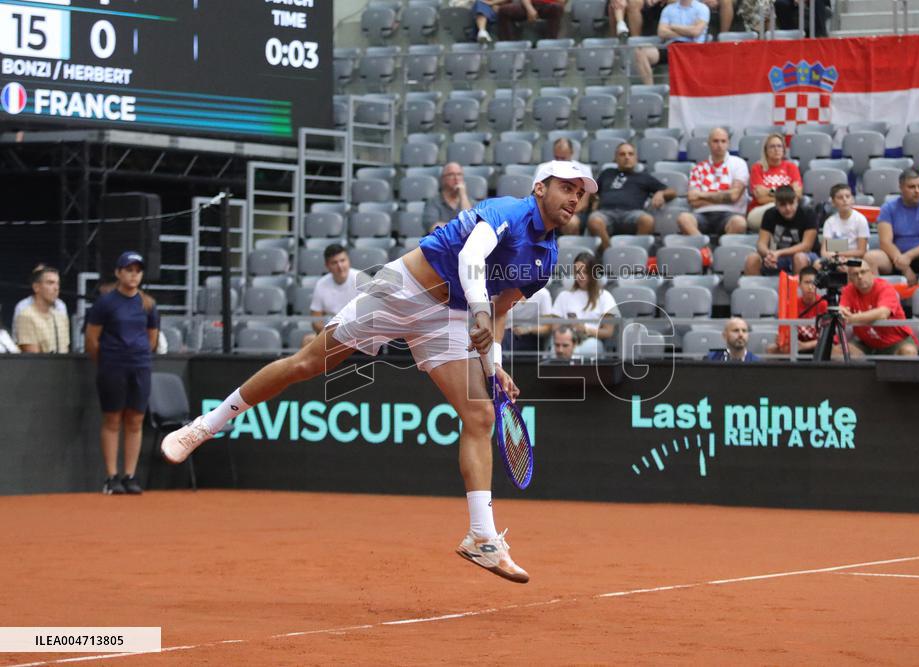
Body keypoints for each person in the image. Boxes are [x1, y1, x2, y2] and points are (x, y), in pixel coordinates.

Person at [161, 160, 599, 584]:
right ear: (540, 188)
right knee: (307, 364)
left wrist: (495, 365)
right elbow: (471, 256)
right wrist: (481, 313)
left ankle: (482, 537)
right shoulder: (506, 211)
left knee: (480, 415)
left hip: (446, 316)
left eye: (580, 194)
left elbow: (500, 311)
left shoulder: (546, 257)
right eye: (566, 187)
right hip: (401, 290)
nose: (574, 199)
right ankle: (205, 425)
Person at [84, 252, 160, 495]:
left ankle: (130, 476)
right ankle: (111, 477)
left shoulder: (148, 304)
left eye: (137, 270)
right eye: (128, 270)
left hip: (140, 366)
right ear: (118, 273)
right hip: (112, 367)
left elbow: (152, 338)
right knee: (113, 419)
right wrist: (107, 360)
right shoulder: (105, 303)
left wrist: (137, 357)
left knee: (136, 420)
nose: (133, 274)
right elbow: (92, 339)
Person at [865, 169, 919, 285]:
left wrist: (909, 256)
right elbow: (885, 242)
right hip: (894, 257)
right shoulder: (888, 208)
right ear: (901, 188)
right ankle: (876, 298)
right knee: (870, 257)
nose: (917, 191)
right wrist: (905, 268)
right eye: (912, 187)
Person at [589, 142, 675, 251]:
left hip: (632, 214)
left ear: (636, 158)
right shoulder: (607, 173)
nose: (627, 157)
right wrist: (594, 199)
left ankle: (634, 254)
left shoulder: (644, 177)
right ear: (615, 158)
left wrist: (661, 193)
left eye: (630, 154)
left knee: (647, 220)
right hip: (606, 213)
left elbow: (672, 191)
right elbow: (593, 192)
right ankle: (609, 253)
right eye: (622, 154)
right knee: (594, 221)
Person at [836, 259, 919, 358]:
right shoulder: (848, 290)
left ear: (871, 273)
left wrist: (853, 318)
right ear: (850, 278)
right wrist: (841, 312)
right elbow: (842, 310)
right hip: (866, 343)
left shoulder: (885, 288)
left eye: (863, 272)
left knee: (909, 352)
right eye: (855, 274)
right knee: (836, 351)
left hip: (896, 340)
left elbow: (882, 314)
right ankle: (861, 372)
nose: (860, 276)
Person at [678, 127, 749, 237]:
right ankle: (704, 248)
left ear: (728, 143)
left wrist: (701, 195)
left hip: (730, 214)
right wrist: (724, 197)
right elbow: (693, 201)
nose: (719, 145)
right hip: (702, 214)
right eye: (715, 141)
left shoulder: (739, 164)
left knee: (740, 223)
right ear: (709, 143)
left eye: (723, 141)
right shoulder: (698, 168)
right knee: (683, 218)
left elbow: (734, 196)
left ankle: (723, 251)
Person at [550, 252, 620, 357]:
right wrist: (568, 327)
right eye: (577, 272)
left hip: (591, 340)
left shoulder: (604, 296)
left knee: (579, 351)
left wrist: (585, 329)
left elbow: (608, 332)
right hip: (566, 339)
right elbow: (554, 327)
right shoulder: (564, 296)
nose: (581, 276)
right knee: (555, 350)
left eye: (585, 272)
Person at [744, 185, 819, 276]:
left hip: (806, 255)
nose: (788, 208)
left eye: (791, 203)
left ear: (797, 201)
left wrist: (778, 253)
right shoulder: (770, 214)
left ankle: (796, 289)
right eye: (783, 205)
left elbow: (806, 246)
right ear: (776, 204)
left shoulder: (808, 213)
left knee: (799, 257)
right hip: (779, 257)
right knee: (752, 259)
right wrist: (769, 254)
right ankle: (756, 289)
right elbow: (761, 243)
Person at [633, 0, 709, 85]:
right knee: (640, 51)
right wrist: (687, 31)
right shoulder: (669, 9)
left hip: (692, 48)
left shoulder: (702, 8)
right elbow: (661, 32)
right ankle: (650, 89)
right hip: (671, 47)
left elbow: (696, 31)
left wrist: (672, 27)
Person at [747, 133, 803, 232]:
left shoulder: (791, 167)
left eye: (779, 146)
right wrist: (786, 194)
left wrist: (769, 191)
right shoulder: (757, 168)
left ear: (784, 150)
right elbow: (760, 198)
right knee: (776, 210)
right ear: (766, 150)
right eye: (772, 146)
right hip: (759, 211)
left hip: (787, 209)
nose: (776, 149)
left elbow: (797, 194)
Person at [767, 266, 828, 356]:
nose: (810, 287)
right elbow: (786, 333)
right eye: (807, 283)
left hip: (818, 345)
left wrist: (805, 345)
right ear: (799, 284)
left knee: (835, 349)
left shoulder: (824, 305)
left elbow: (830, 338)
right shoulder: (790, 305)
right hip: (796, 345)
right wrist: (782, 339)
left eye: (813, 283)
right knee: (771, 349)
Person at [309, 244, 366, 333]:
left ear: (349, 261)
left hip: (358, 331)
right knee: (307, 340)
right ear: (327, 266)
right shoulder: (321, 284)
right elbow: (316, 320)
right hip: (330, 333)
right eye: (334, 263)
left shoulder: (362, 279)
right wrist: (331, 334)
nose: (340, 266)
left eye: (343, 260)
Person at [15, 266, 70, 354]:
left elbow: (65, 350)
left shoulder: (61, 317)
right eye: (50, 283)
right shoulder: (26, 316)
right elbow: (34, 359)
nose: (56, 288)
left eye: (58, 283)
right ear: (36, 287)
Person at [546, 138, 590, 235]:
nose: (560, 161)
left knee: (571, 222)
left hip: (574, 212)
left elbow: (583, 203)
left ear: (571, 153)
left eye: (563, 158)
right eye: (557, 158)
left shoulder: (584, 170)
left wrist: (562, 212)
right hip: (549, 210)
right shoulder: (544, 169)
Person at [819, 183, 870, 262]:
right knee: (817, 264)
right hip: (835, 259)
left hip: (855, 260)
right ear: (833, 202)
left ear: (852, 199)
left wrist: (839, 254)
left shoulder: (860, 220)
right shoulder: (829, 222)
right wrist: (835, 257)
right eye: (840, 197)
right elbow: (824, 251)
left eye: (848, 196)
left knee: (850, 267)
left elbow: (861, 251)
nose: (845, 200)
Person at [423, 162, 476, 233]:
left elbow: (470, 225)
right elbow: (433, 228)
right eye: (451, 174)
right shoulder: (433, 202)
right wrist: (461, 227)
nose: (456, 178)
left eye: (459, 174)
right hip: (440, 243)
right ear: (443, 179)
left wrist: (463, 195)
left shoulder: (470, 202)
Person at [497, 0, 565, 40]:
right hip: (530, 4)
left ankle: (551, 43)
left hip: (549, 6)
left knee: (557, 8)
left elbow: (561, 2)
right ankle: (509, 46)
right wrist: (529, 8)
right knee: (504, 10)